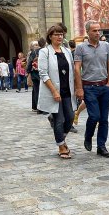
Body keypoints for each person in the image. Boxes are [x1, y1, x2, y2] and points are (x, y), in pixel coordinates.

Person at [74, 20, 109, 158]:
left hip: (104, 86)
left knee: (104, 119)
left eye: (99, 30)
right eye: (94, 31)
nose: (98, 33)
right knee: (94, 116)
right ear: (88, 32)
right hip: (89, 87)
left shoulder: (106, 46)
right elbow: (77, 69)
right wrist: (79, 88)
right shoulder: (81, 48)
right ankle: (88, 135)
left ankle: (101, 146)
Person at [37, 25, 76, 159]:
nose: (60, 36)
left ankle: (61, 138)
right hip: (54, 91)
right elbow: (43, 73)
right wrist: (54, 91)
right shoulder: (44, 52)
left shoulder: (66, 51)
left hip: (67, 90)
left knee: (70, 117)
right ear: (50, 36)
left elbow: (72, 72)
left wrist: (77, 88)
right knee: (60, 120)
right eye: (56, 34)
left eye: (61, 34)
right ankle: (61, 146)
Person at [27, 39, 43, 112]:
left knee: (37, 90)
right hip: (42, 73)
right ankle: (40, 107)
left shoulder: (32, 53)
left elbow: (29, 63)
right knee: (41, 90)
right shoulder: (44, 51)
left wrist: (28, 72)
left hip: (35, 73)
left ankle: (38, 108)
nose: (36, 46)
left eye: (36, 45)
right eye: (35, 45)